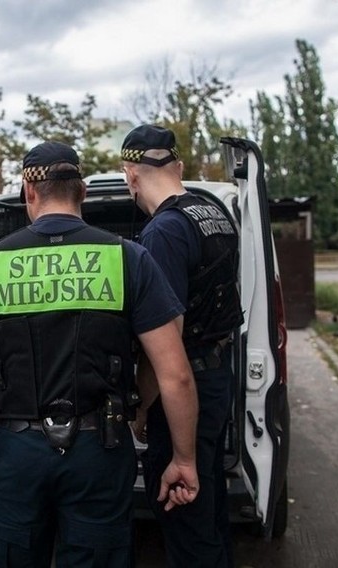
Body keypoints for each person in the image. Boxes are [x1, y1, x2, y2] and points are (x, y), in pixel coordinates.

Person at [0, 141, 198, 567]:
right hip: (100, 451)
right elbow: (175, 375)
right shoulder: (129, 258)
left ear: (29, 192)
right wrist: (184, 458)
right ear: (83, 193)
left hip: (18, 451)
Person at [122, 125, 244, 568]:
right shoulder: (213, 213)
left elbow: (165, 346)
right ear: (178, 166)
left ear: (130, 175)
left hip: (184, 389)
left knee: (185, 516)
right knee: (208, 513)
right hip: (214, 378)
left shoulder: (163, 233)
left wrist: (140, 406)